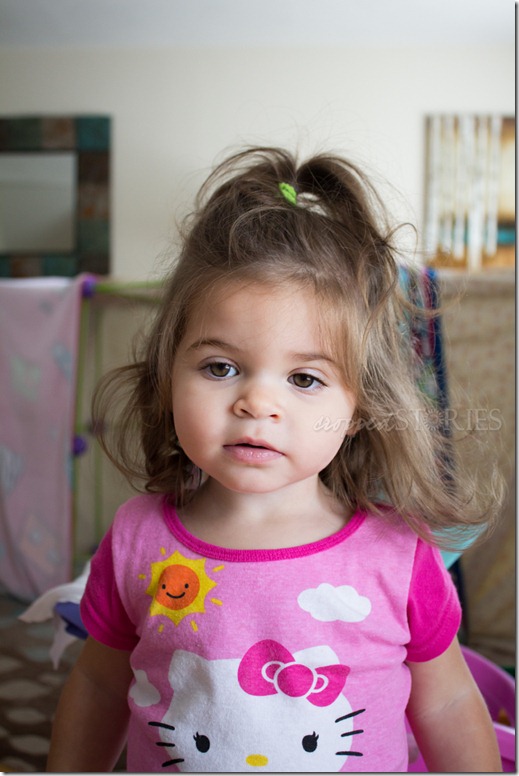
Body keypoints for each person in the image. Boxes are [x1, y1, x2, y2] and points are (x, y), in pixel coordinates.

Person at [47, 147, 502, 773]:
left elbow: (447, 702)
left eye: (305, 379)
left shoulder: (399, 554)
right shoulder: (136, 539)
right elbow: (100, 687)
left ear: (360, 406)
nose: (257, 403)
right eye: (220, 367)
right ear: (168, 374)